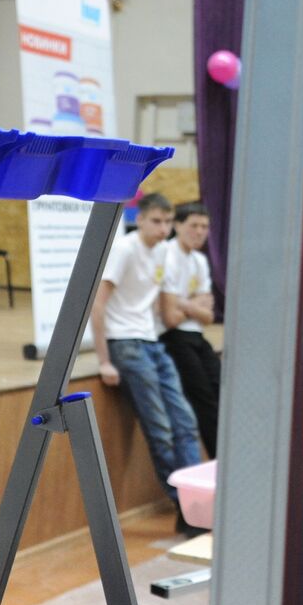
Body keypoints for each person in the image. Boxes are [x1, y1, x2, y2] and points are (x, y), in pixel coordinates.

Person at [91, 192, 202, 533]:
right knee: (161, 429)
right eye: (156, 221)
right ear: (139, 219)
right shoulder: (125, 249)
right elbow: (98, 303)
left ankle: (197, 503)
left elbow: (163, 304)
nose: (163, 228)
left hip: (151, 342)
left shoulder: (163, 253)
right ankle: (184, 506)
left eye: (168, 222)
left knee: (185, 422)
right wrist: (104, 360)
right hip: (125, 344)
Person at [158, 201, 222, 458]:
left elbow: (208, 316)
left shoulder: (199, 261)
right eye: (193, 225)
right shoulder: (166, 255)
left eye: (204, 227)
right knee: (203, 397)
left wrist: (183, 304)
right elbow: (170, 318)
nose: (199, 232)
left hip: (196, 334)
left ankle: (229, 456)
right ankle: (219, 459)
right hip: (173, 337)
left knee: (221, 388)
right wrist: (192, 305)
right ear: (177, 226)